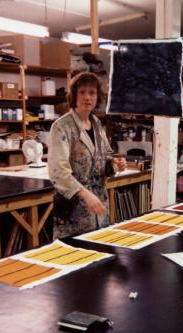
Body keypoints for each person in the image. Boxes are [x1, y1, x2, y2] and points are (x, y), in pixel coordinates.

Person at [48, 72, 126, 239]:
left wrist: (114, 164)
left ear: (98, 97)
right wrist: (84, 194)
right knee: (75, 257)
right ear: (74, 95)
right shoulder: (61, 127)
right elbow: (58, 173)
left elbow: (105, 159)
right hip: (73, 213)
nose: (87, 97)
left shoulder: (97, 124)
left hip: (99, 207)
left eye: (92, 93)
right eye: (82, 92)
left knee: (100, 255)